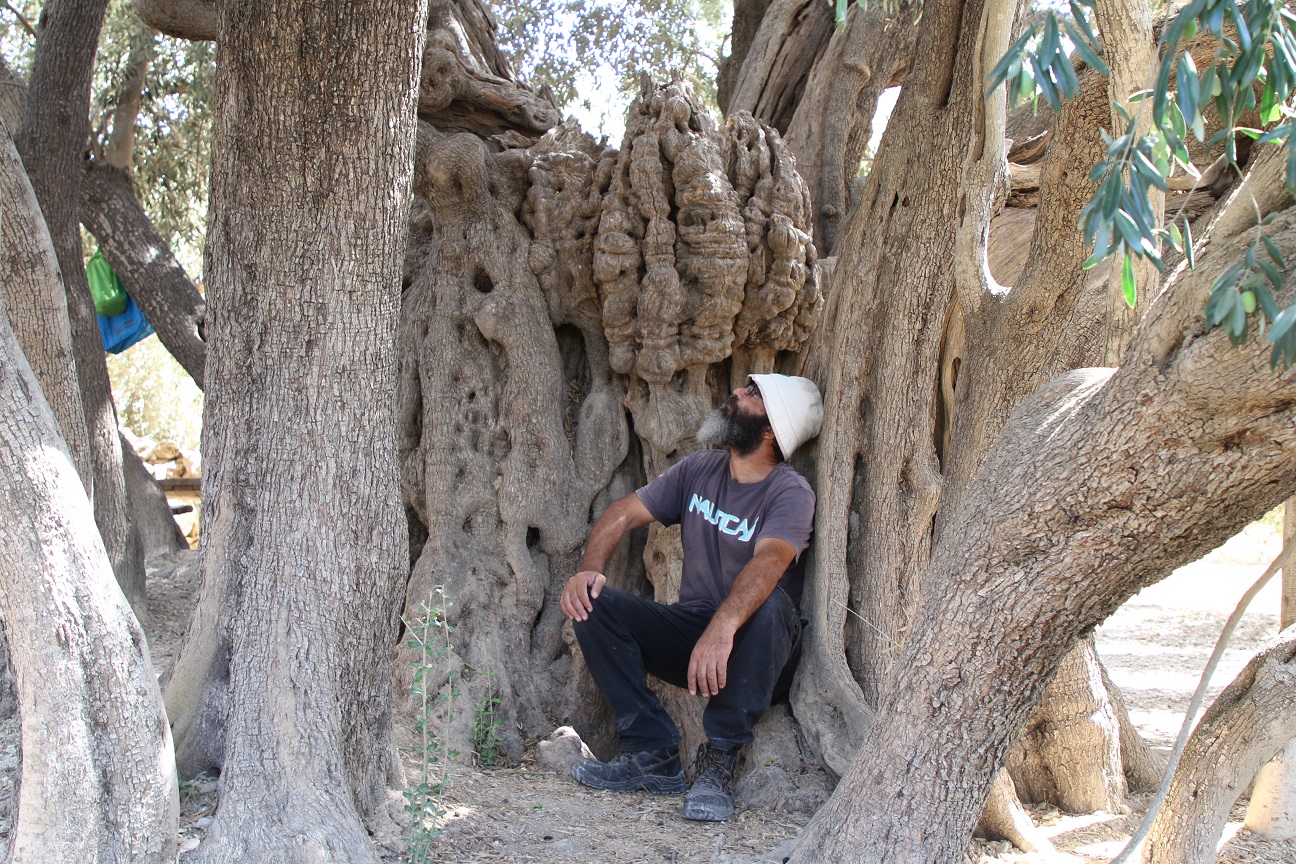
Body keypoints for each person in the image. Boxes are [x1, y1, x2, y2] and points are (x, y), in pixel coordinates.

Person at [561, 373, 823, 822]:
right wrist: (589, 570)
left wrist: (723, 628)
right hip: (697, 634)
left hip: (760, 652)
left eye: (753, 395)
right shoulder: (700, 469)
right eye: (744, 386)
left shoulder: (790, 492)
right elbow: (622, 513)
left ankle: (719, 760)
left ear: (770, 431)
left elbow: (771, 562)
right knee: (592, 603)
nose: (736, 393)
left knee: (774, 604)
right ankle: (652, 753)